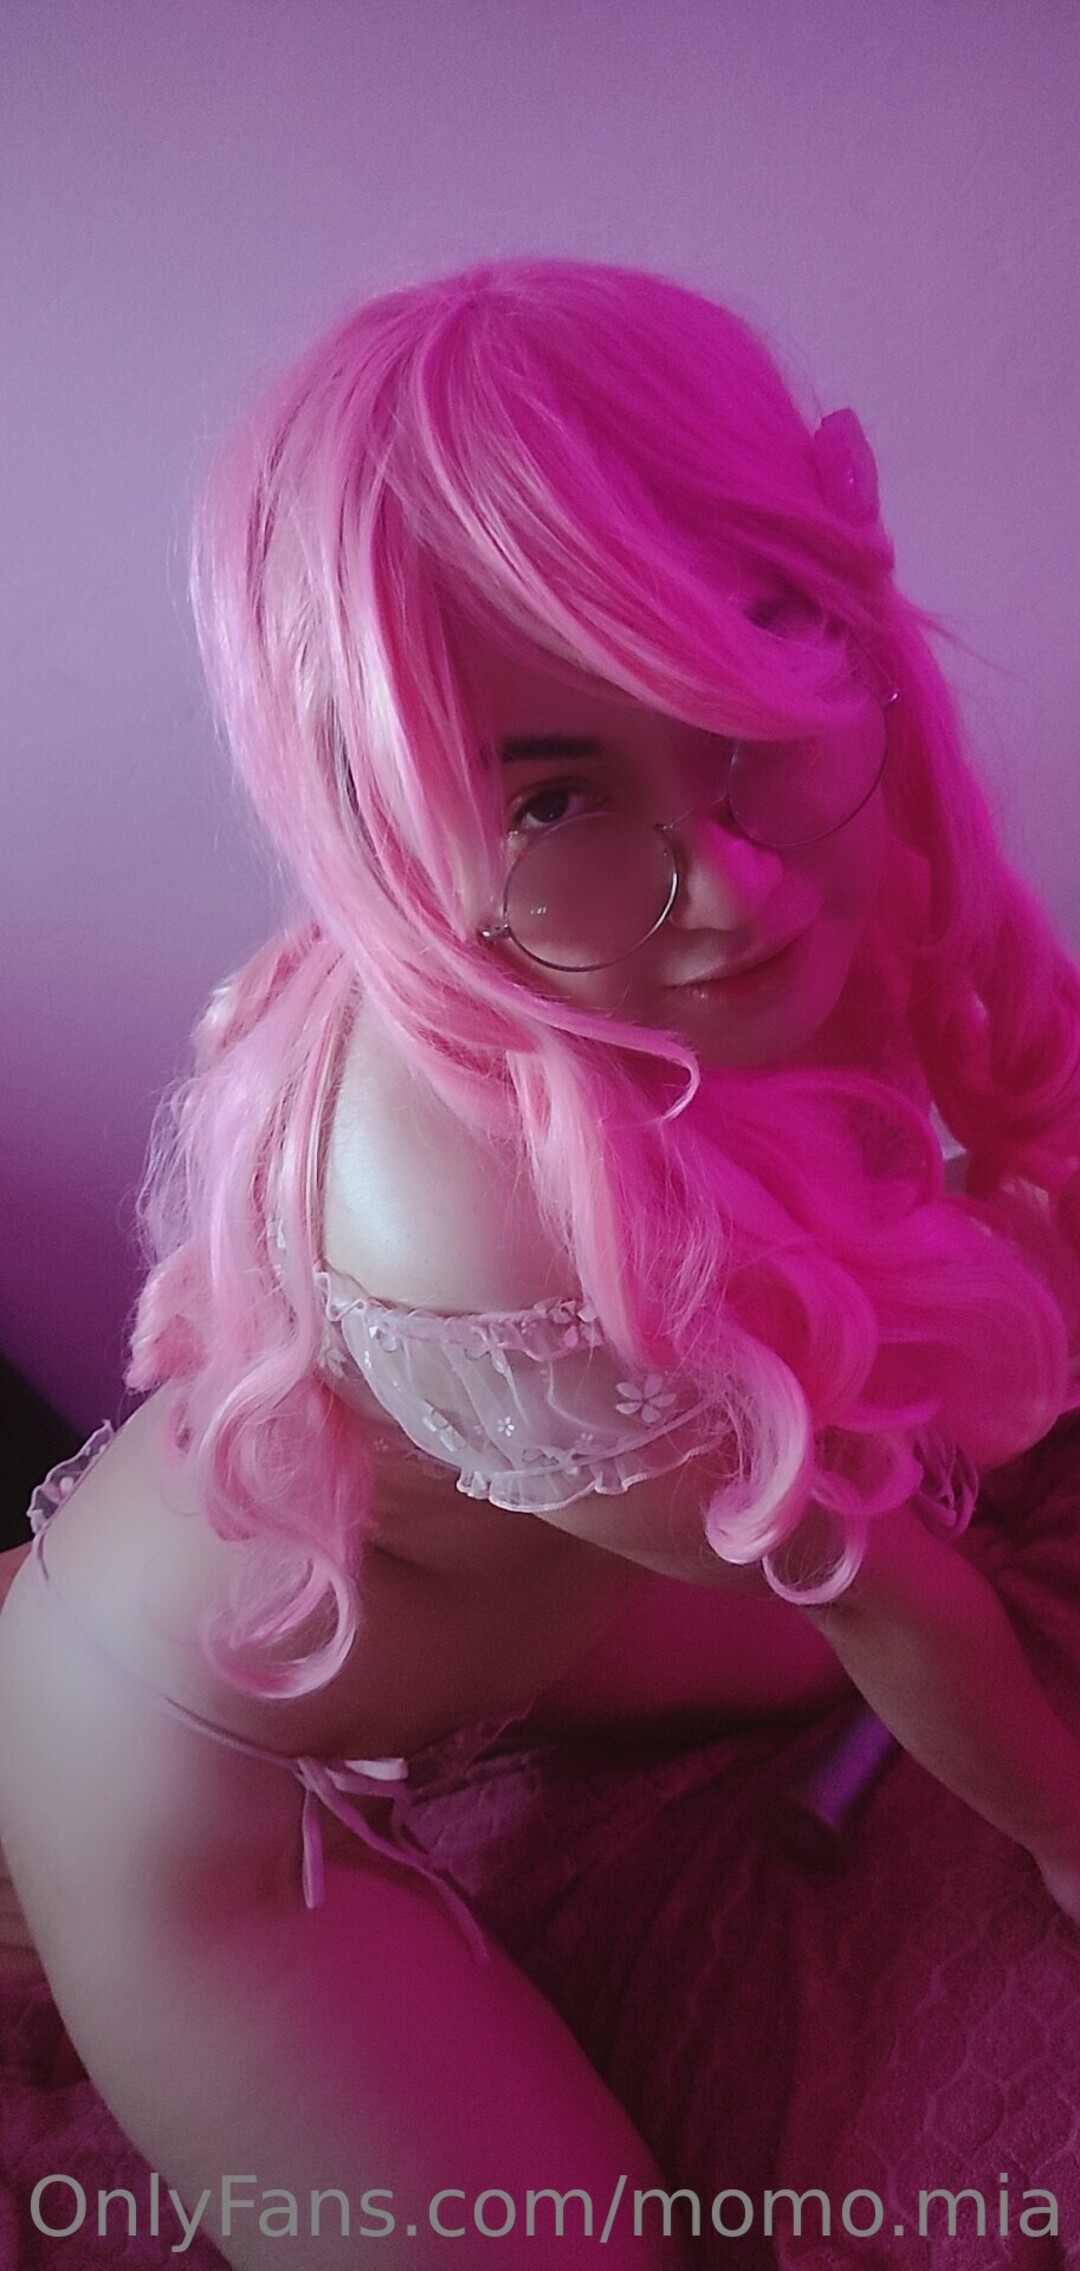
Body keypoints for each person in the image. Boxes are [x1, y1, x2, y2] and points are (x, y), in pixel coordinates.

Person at [2, 258, 1080, 2271]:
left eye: (741, 700)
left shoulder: (804, 848)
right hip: (189, 1774)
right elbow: (892, 1596)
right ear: (389, 823)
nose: (732, 884)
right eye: (560, 794)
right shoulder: (461, 1205)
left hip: (523, 1600)